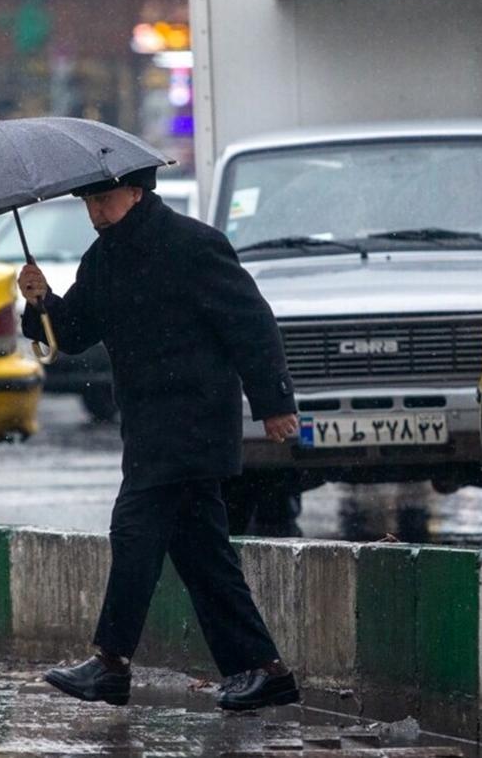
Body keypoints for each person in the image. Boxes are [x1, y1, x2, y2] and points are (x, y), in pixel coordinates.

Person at [18, 165, 301, 711]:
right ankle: (266, 672)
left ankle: (111, 664)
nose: (96, 212)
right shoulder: (103, 259)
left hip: (194, 420)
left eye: (104, 200)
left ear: (136, 191)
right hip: (148, 424)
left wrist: (274, 403)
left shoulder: (193, 245)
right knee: (203, 556)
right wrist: (41, 302)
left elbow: (251, 324)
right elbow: (72, 333)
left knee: (133, 532)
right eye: (88, 203)